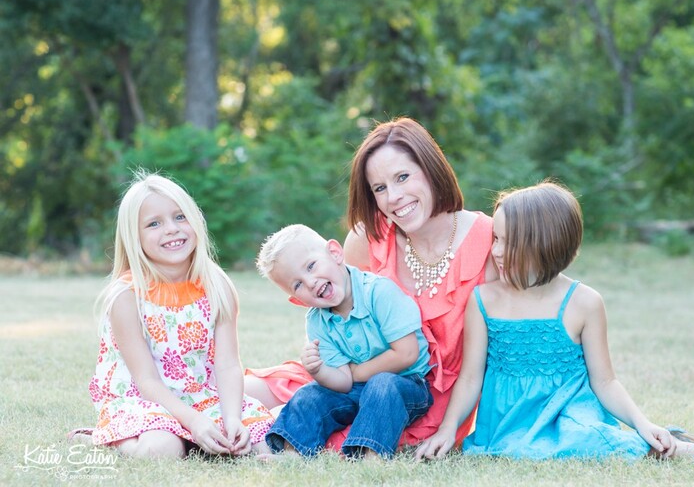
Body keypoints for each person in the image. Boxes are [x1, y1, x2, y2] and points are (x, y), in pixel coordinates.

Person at [415, 181, 694, 461]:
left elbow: (605, 381)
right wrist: (447, 430)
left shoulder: (584, 303)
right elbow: (470, 378)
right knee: (514, 450)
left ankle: (665, 445)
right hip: (510, 420)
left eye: (508, 242)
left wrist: (643, 423)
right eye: (495, 238)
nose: (495, 251)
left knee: (584, 440)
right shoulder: (484, 300)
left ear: (545, 245)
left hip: (570, 412)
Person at [244, 116, 496, 450]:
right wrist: (334, 371)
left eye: (403, 177)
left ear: (431, 168)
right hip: (348, 379)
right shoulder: (368, 237)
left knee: (289, 427)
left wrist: (451, 427)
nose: (394, 197)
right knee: (241, 391)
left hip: (415, 396)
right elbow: (339, 311)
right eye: (380, 188)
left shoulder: (489, 241)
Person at [82, 172, 274, 457]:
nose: (171, 229)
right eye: (154, 223)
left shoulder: (216, 286)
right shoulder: (127, 296)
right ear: (134, 236)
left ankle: (200, 434)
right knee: (163, 449)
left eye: (180, 217)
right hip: (144, 400)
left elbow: (227, 365)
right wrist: (194, 422)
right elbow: (146, 381)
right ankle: (109, 438)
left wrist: (233, 418)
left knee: (264, 442)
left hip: (200, 395)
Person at [255, 224, 433, 459]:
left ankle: (372, 456)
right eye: (297, 284)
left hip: (406, 385)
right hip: (357, 390)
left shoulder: (378, 292)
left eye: (311, 266)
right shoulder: (317, 321)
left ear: (335, 253)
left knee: (382, 384)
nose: (310, 282)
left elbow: (407, 353)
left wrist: (357, 372)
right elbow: (343, 382)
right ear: (297, 300)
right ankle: (292, 452)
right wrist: (319, 371)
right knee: (311, 393)